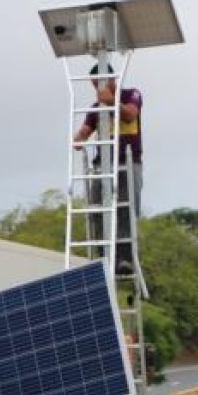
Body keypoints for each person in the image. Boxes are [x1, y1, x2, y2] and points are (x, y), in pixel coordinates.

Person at [73, 63, 143, 275]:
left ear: (112, 79)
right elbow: (83, 133)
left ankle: (124, 258)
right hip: (102, 166)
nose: (97, 89)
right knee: (96, 208)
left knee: (126, 209)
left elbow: (130, 114)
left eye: (99, 83)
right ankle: (104, 256)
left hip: (128, 163)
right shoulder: (96, 109)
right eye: (94, 85)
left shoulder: (132, 94)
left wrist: (111, 102)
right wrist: (80, 138)